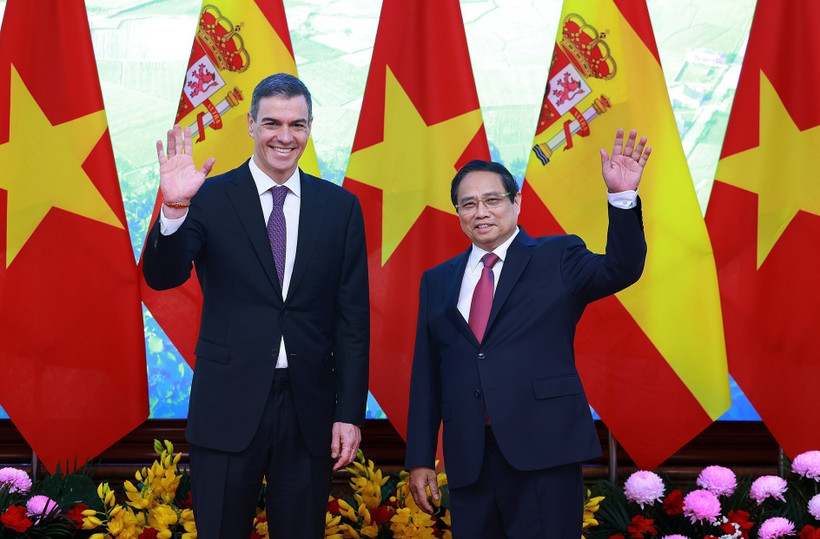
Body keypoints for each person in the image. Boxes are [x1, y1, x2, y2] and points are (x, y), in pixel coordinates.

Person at [142, 73, 369, 538]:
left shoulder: (340, 207)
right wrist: (174, 210)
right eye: (272, 123)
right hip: (227, 404)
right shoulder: (206, 196)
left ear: (310, 127)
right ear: (250, 125)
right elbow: (162, 277)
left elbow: (352, 322)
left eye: (297, 124)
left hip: (310, 408)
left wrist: (348, 412)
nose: (284, 137)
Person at [404, 128, 651, 537]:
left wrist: (622, 198)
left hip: (545, 451)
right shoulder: (438, 280)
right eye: (469, 204)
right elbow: (427, 374)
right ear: (458, 213)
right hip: (469, 460)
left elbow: (621, 268)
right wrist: (420, 458)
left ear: (516, 202)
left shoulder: (558, 256)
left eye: (492, 200)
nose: (481, 211)